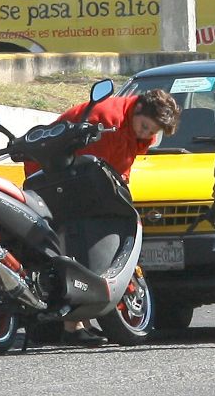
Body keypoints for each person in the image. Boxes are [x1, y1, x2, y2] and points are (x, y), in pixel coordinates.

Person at [24, 88, 180, 346]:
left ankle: (78, 322)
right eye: (144, 127)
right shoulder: (107, 122)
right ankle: (72, 325)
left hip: (75, 177)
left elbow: (120, 167)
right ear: (138, 109)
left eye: (152, 132)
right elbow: (96, 168)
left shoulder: (131, 123)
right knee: (81, 238)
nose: (146, 135)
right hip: (53, 177)